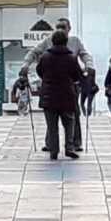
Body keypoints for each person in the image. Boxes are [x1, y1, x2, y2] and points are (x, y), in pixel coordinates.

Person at [22, 18, 92, 152]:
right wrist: (26, 65)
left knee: (73, 114)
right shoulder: (48, 41)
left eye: (63, 27)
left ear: (69, 29)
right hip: (53, 84)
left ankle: (76, 143)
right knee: (51, 116)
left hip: (69, 85)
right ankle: (51, 143)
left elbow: (85, 55)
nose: (60, 29)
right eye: (58, 26)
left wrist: (88, 65)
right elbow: (34, 53)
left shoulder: (75, 41)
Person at [37, 29, 82, 160]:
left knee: (52, 125)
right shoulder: (71, 58)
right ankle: (69, 148)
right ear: (66, 41)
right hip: (67, 95)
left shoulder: (45, 57)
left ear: (52, 41)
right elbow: (76, 76)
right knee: (69, 122)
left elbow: (39, 71)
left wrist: (48, 79)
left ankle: (54, 151)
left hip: (49, 96)